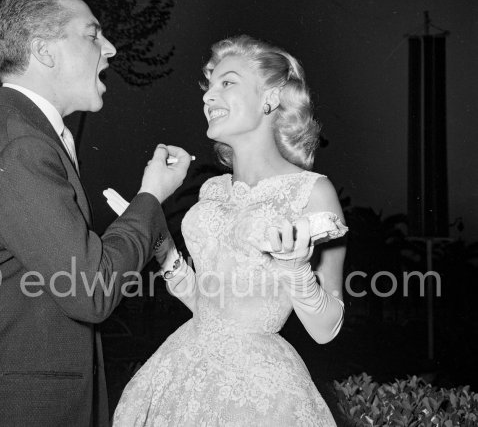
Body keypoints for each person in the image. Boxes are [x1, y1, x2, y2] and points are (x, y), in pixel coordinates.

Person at [0, 0, 191, 427]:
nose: (109, 48)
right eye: (92, 35)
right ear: (44, 50)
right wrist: (150, 198)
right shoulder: (20, 146)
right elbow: (90, 288)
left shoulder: (20, 135)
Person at [113, 35, 347, 426]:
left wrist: (296, 269)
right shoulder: (213, 189)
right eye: (209, 86)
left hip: (259, 394)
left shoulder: (313, 191)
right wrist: (161, 246)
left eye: (228, 83)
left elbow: (326, 330)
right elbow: (208, 304)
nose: (208, 96)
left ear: (270, 99)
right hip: (182, 369)